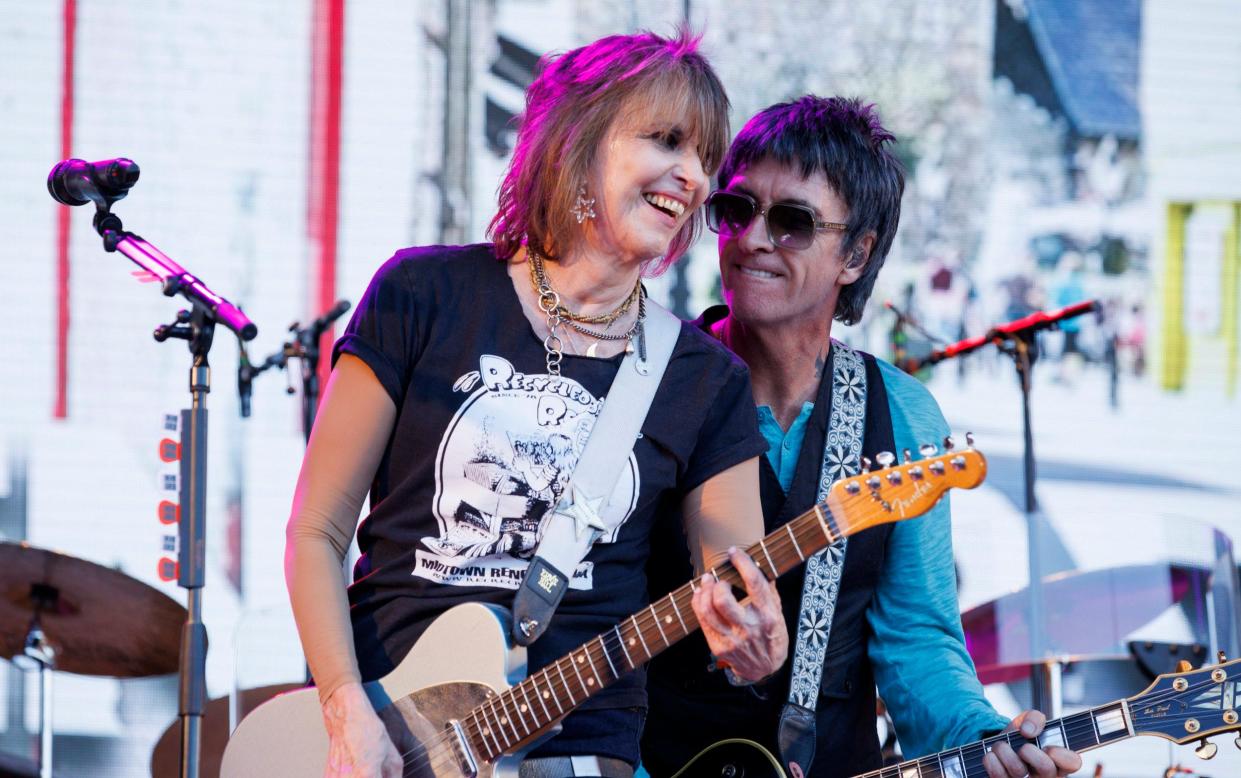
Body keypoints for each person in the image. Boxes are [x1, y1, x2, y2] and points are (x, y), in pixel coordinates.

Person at [283, 30, 788, 778]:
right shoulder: (421, 295)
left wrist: (753, 643)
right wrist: (345, 709)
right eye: (666, 141)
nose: (692, 177)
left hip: (576, 747)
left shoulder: (702, 380)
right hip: (382, 731)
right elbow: (317, 532)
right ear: (579, 140)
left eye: (704, 159)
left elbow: (737, 583)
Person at [641, 96, 1083, 778]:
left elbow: (915, 640)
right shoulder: (649, 381)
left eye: (792, 222)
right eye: (735, 210)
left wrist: (982, 735)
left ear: (856, 253)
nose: (753, 237)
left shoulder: (904, 415)